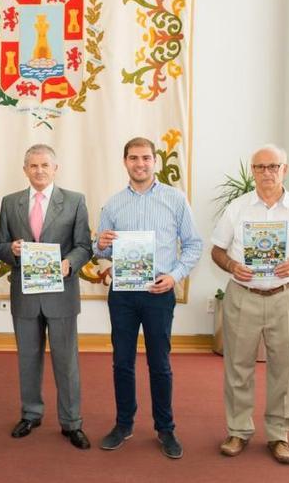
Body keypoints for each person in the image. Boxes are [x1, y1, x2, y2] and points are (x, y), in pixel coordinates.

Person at [210, 145, 289, 465]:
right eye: (260, 167)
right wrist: (233, 266)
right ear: (252, 170)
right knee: (238, 367)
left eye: (273, 166)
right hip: (243, 296)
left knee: (284, 368)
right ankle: (238, 430)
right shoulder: (237, 208)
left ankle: (279, 435)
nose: (266, 172)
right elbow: (217, 251)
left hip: (285, 297)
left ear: (284, 169)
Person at [93, 137, 202, 458]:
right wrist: (100, 243)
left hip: (159, 292)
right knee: (122, 362)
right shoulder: (113, 204)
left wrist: (175, 276)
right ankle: (123, 423)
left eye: (145, 158)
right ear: (124, 162)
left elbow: (194, 244)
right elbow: (102, 249)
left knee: (160, 363)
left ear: (154, 161)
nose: (140, 164)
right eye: (133, 158)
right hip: (123, 295)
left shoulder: (175, 199)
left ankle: (165, 428)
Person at [0, 144, 92, 449]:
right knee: (27, 358)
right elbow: (0, 245)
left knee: (67, 361)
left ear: (55, 169)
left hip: (61, 293)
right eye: (33, 165)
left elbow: (84, 246)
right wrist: (10, 250)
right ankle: (31, 413)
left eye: (44, 165)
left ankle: (71, 422)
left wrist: (69, 264)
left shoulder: (75, 201)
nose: (39, 170)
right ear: (25, 169)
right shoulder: (10, 203)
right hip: (25, 294)